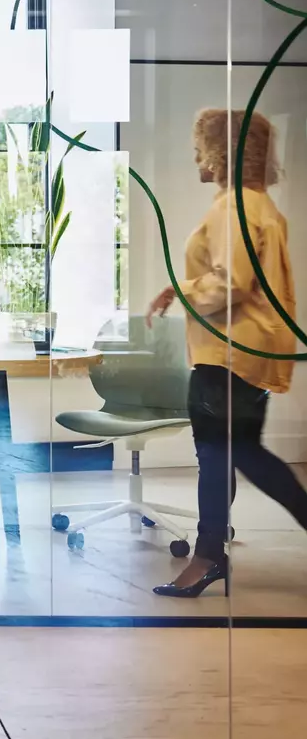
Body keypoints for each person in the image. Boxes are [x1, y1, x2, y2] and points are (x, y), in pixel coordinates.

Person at [147, 108, 307, 597]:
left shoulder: (232, 206)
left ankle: (207, 558)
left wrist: (180, 286)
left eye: (202, 144)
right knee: (241, 452)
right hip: (252, 351)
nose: (197, 154)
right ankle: (210, 554)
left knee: (219, 454)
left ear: (223, 150)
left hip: (228, 352)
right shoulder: (259, 204)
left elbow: (230, 283)